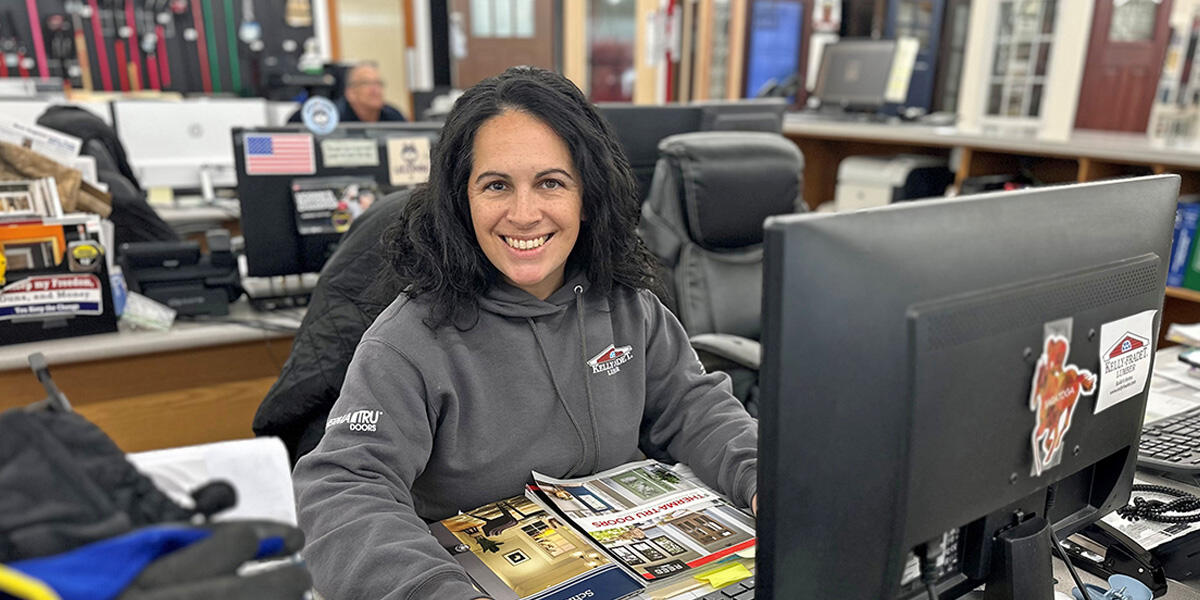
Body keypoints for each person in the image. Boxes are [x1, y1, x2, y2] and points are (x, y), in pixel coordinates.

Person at [292, 66, 758, 599]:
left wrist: (767, 479)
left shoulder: (629, 304)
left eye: (551, 183)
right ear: (461, 201)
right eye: (495, 185)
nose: (524, 214)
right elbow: (345, 490)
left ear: (589, 195)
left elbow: (698, 409)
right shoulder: (407, 342)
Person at [287, 62, 407, 123]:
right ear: (350, 93)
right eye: (367, 84)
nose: (375, 90)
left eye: (378, 83)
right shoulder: (331, 118)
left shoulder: (393, 117)